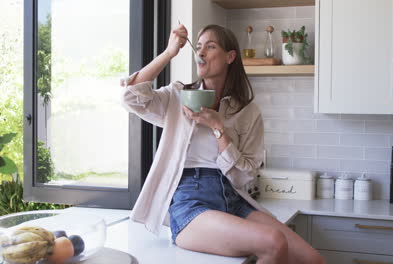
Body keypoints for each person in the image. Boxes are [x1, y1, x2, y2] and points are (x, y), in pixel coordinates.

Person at [121, 24, 325, 264]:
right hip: (190, 201)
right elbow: (130, 95)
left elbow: (244, 176)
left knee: (313, 260)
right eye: (198, 48)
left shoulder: (247, 111)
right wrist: (169, 52)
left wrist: (219, 129)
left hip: (232, 197)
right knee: (273, 242)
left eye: (210, 46)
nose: (201, 53)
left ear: (230, 57)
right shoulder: (178, 96)